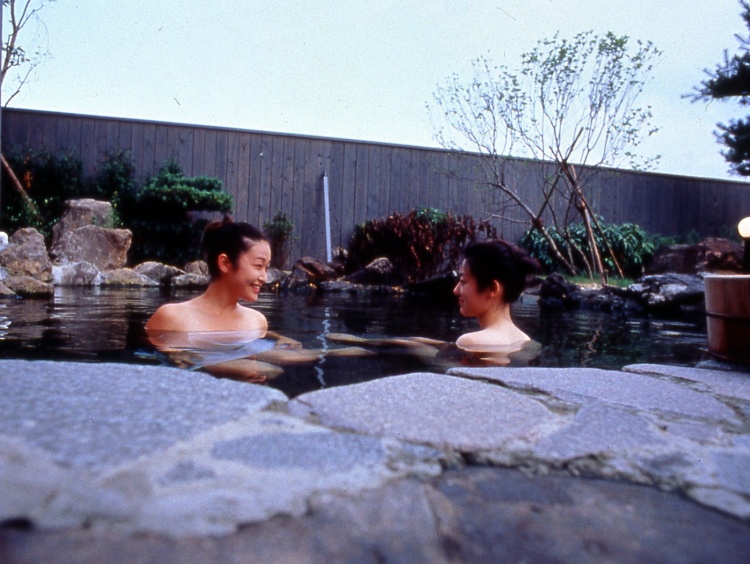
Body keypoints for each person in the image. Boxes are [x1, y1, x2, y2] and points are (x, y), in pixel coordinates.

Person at [453, 239, 539, 354]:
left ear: (492, 289)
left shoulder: (469, 342)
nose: (455, 290)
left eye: (463, 281)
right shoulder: (526, 342)